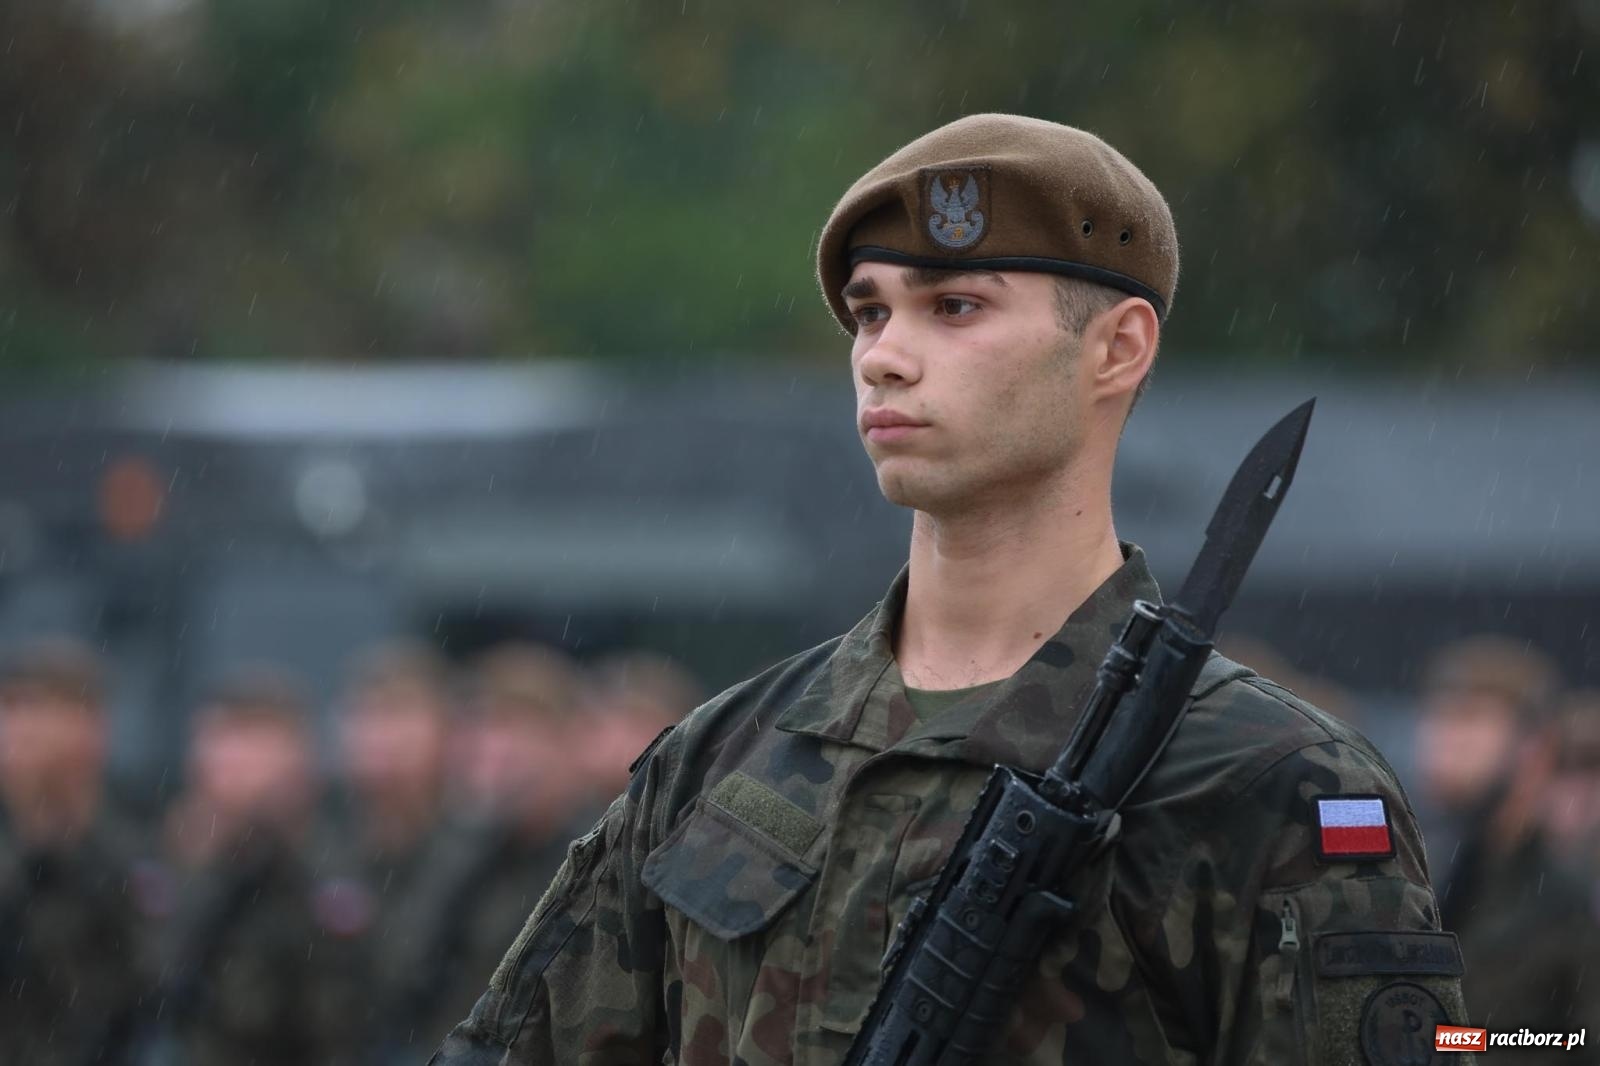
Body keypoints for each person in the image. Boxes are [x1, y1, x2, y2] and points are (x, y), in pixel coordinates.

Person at [432, 114, 1468, 1065]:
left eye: (955, 307)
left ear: (1116, 348)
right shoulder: (717, 759)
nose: (884, 357)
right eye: (869, 312)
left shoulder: (1274, 784)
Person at [159, 666, 362, 1066]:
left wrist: (279, 841)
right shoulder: (170, 860)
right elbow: (154, 984)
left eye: (257, 744)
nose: (236, 763)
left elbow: (356, 1003)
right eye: (222, 741)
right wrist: (208, 857)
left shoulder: (339, 863)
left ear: (299, 760)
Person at [1414, 637, 1600, 1052]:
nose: (1444, 741)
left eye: (1470, 718)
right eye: (1437, 717)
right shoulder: (1442, 869)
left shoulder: (1574, 890)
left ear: (1536, 747)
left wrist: (1446, 1041)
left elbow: (1576, 1041)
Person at [0, 637, 148, 1066]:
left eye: (47, 714)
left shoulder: (130, 849)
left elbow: (149, 987)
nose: (23, 734)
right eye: (14, 711)